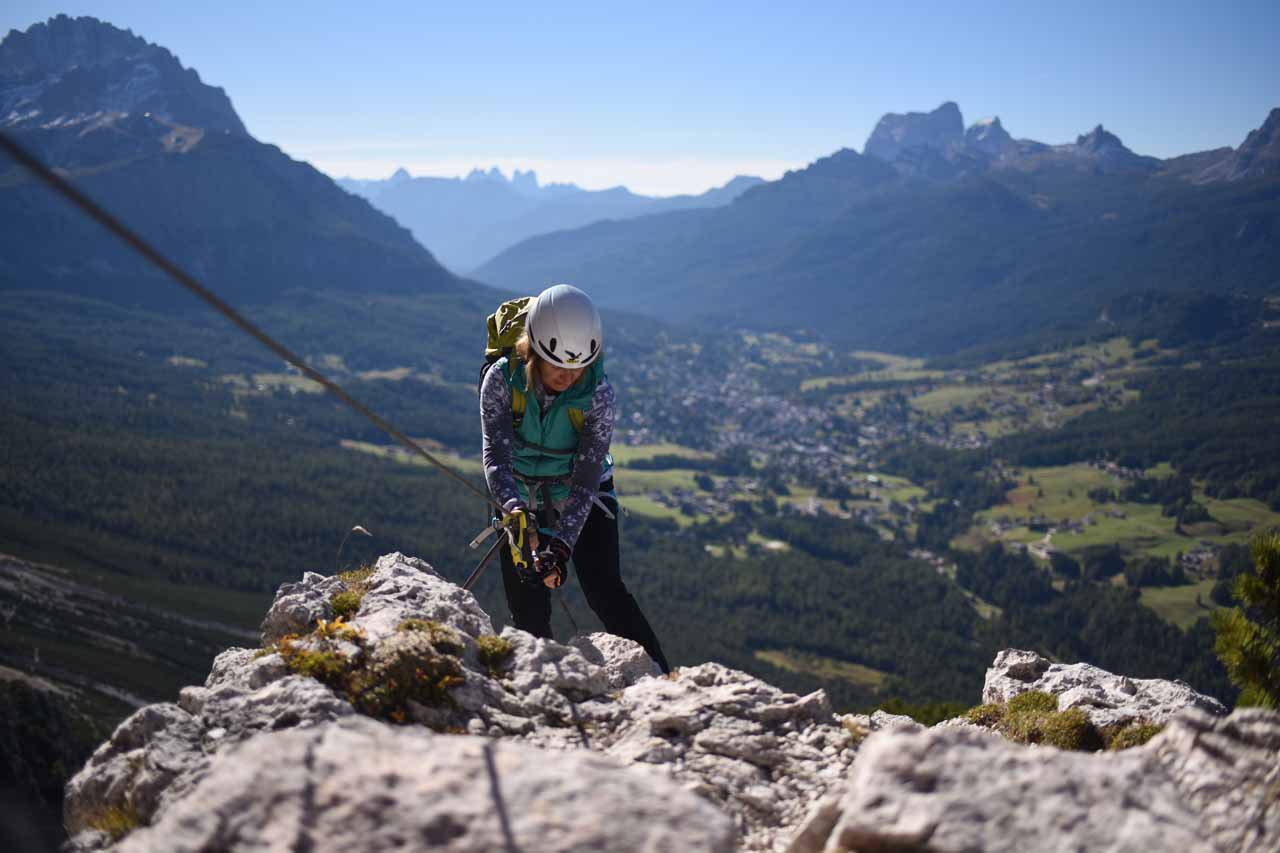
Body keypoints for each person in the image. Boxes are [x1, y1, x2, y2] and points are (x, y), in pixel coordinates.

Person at [479, 284, 671, 673]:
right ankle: (543, 689)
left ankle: (666, 680)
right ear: (532, 351)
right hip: (516, 494)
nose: (568, 376)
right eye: (557, 366)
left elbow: (586, 480)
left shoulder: (598, 394)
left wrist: (561, 546)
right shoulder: (500, 381)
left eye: (577, 367)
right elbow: (496, 456)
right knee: (528, 607)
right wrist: (515, 513)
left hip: (582, 495)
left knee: (606, 592)